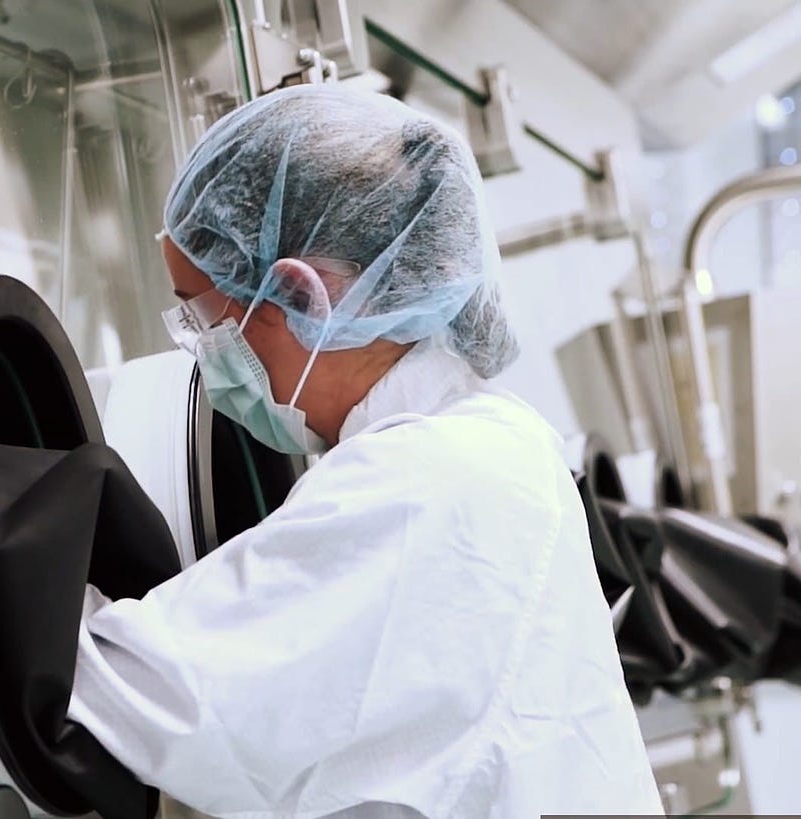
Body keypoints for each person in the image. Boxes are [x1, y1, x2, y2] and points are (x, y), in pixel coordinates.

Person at [67, 84, 662, 818]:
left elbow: (145, 696)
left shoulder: (420, 482)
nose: (197, 350)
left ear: (298, 297)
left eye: (198, 313)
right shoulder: (492, 441)